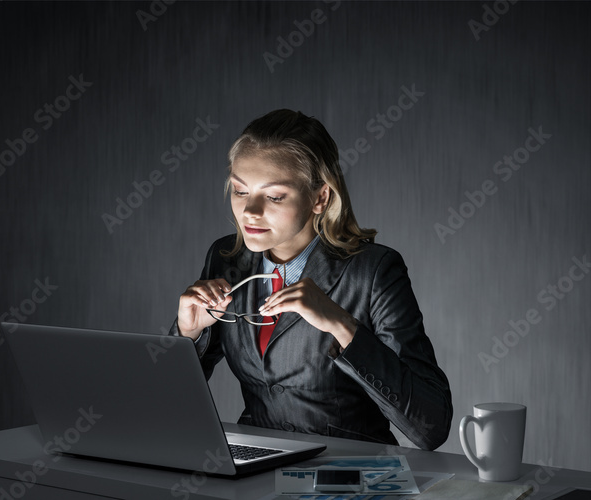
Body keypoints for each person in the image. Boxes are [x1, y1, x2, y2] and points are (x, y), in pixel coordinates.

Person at [170, 109, 452, 450]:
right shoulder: (226, 258)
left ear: (320, 197)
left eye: (274, 196)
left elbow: (431, 428)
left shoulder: (375, 270)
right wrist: (188, 334)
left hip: (349, 469)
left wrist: (342, 325)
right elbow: (165, 407)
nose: (250, 211)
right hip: (257, 467)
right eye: (240, 191)